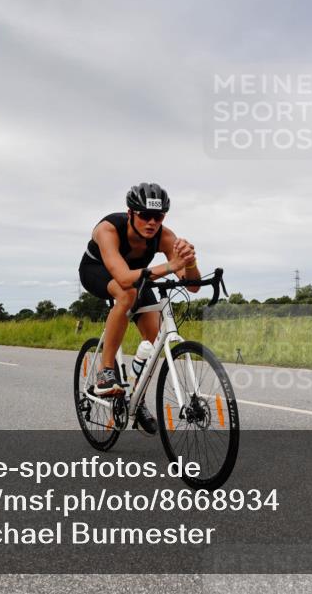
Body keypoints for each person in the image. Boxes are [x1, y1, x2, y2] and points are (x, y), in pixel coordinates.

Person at [78, 182, 200, 434]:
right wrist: (169, 266)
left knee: (156, 340)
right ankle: (105, 371)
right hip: (98, 272)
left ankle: (138, 395)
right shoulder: (108, 229)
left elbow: (193, 285)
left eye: (158, 216)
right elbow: (123, 278)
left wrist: (189, 261)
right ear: (131, 212)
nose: (151, 222)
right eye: (145, 215)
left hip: (139, 278)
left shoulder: (165, 236)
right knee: (126, 294)